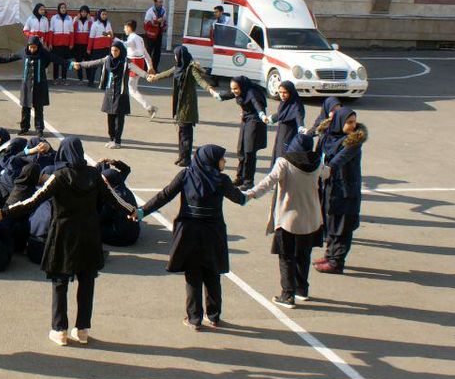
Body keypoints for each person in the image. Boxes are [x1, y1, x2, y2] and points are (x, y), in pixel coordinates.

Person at [0, 137, 138, 346]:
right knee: (87, 282)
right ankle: (83, 329)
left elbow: (32, 201)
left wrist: (3, 212)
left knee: (60, 281)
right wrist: (132, 211)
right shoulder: (94, 175)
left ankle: (60, 330)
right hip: (89, 235)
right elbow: (113, 199)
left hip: (63, 235)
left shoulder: (59, 176)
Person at [139, 144, 248, 330]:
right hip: (213, 234)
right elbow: (240, 199)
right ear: (212, 160)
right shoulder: (221, 180)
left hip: (189, 233)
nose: (225, 161)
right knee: (212, 275)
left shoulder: (186, 175)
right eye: (222, 158)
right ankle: (214, 316)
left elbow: (164, 195)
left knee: (193, 275)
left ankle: (194, 318)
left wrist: (142, 212)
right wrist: (250, 195)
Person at [244, 132, 324, 307]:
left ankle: (287, 294)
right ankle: (302, 289)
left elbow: (268, 182)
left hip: (288, 219)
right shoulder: (317, 162)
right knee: (304, 254)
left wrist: (250, 194)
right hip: (311, 219)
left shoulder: (284, 162)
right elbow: (327, 174)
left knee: (286, 256)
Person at [315, 108, 366, 275]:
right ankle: (329, 255)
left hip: (346, 191)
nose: (352, 126)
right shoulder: (329, 137)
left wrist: (321, 171)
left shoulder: (353, 143)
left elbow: (337, 161)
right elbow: (318, 154)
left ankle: (337, 262)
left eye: (353, 122)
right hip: (332, 187)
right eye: (349, 122)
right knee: (331, 222)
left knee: (342, 227)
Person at [147, 45, 214, 166]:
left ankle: (186, 158)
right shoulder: (178, 67)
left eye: (176, 55)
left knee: (186, 133)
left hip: (187, 105)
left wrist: (209, 89)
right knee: (181, 132)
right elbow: (166, 73)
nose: (175, 57)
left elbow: (200, 80)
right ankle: (181, 156)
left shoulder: (191, 68)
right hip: (179, 103)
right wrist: (154, 77)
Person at [73, 38, 144, 149]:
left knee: (119, 119)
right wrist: (80, 64)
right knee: (110, 118)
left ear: (121, 51)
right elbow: (93, 63)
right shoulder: (107, 60)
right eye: (112, 50)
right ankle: (112, 139)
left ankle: (117, 141)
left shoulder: (126, 62)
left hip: (120, 94)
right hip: (109, 92)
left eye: (116, 50)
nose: (113, 53)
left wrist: (148, 76)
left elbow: (138, 70)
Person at [0, 36, 69, 138]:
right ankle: (24, 128)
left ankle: (39, 129)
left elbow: (57, 59)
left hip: (40, 85)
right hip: (26, 85)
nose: (32, 49)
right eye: (31, 47)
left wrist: (71, 64)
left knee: (38, 108)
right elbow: (10, 57)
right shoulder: (24, 52)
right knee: (25, 107)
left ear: (38, 46)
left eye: (34, 47)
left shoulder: (43, 53)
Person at [210, 76, 268, 190]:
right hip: (246, 120)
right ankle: (240, 178)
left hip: (255, 121)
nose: (234, 91)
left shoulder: (252, 93)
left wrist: (262, 115)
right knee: (241, 150)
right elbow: (228, 95)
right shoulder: (240, 90)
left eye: (236, 89)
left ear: (241, 86)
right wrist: (215, 93)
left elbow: (257, 105)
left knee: (249, 152)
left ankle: (248, 181)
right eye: (232, 88)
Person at [97, 160, 141, 247]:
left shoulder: (114, 197)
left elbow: (101, 218)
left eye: (104, 181)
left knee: (89, 228)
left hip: (120, 238)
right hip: (134, 235)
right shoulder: (120, 186)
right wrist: (116, 163)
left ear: (108, 182)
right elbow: (126, 169)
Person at [121, 20, 157, 120]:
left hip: (132, 64)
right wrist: (150, 66)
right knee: (130, 88)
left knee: (131, 90)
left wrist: (111, 38)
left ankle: (150, 108)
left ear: (129, 27)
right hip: (139, 63)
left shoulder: (132, 38)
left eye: (125, 27)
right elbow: (146, 54)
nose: (124, 29)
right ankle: (125, 109)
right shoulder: (140, 38)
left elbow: (124, 44)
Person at [267, 80, 306, 159]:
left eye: (285, 92)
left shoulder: (296, 105)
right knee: (277, 153)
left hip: (289, 136)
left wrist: (301, 127)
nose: (282, 95)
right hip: (281, 134)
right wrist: (270, 119)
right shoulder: (285, 103)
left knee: (283, 157)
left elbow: (298, 117)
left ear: (290, 92)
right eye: (280, 92)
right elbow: (282, 114)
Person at [49, 2, 74, 85]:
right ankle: (55, 78)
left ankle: (64, 79)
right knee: (56, 62)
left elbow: (71, 32)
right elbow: (51, 31)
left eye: (64, 8)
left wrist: (71, 43)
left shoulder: (69, 18)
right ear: (59, 9)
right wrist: (50, 43)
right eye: (62, 8)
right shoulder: (54, 18)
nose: (63, 9)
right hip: (56, 44)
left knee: (65, 62)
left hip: (66, 45)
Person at [85, 9, 112, 86]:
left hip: (106, 48)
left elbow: (110, 36)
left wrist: (110, 46)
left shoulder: (108, 24)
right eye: (103, 14)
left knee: (105, 67)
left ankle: (103, 83)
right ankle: (91, 82)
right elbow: (91, 37)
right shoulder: (95, 24)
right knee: (94, 66)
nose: (104, 16)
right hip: (97, 49)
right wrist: (89, 49)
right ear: (99, 15)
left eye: (105, 14)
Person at [143, 0, 168, 72]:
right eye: (159, 2)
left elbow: (164, 20)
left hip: (159, 33)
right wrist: (156, 21)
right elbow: (146, 24)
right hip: (151, 35)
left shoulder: (163, 10)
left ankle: (154, 68)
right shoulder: (150, 11)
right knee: (149, 52)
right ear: (155, 2)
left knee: (157, 52)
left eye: (161, 2)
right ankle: (146, 68)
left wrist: (164, 25)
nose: (161, 4)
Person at [71, 5, 93, 84]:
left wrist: (90, 21)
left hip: (87, 44)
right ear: (79, 13)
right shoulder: (76, 19)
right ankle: (80, 79)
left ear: (88, 13)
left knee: (87, 63)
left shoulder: (91, 20)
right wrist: (75, 21)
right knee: (78, 62)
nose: (83, 13)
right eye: (82, 12)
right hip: (78, 45)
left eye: (85, 12)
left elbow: (92, 31)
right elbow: (72, 30)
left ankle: (89, 79)